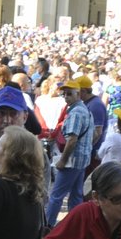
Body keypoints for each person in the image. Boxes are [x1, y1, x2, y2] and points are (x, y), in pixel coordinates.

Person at [44, 75, 94, 227]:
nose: (66, 97)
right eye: (64, 93)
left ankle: (47, 224)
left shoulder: (76, 112)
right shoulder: (83, 109)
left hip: (73, 160)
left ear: (78, 94)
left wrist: (63, 160)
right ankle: (75, 225)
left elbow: (72, 139)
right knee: (76, 195)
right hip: (81, 159)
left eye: (69, 93)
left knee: (56, 195)